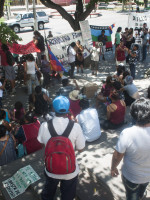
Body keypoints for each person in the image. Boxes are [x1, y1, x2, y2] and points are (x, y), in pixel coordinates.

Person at [37, 96, 85, 200]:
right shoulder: (75, 126)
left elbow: (42, 144)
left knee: (49, 190)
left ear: (53, 109)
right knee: (68, 194)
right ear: (68, 110)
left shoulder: (44, 126)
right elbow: (81, 148)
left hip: (51, 169)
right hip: (70, 171)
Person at [111, 97, 150, 200]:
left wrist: (113, 167)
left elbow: (117, 155)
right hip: (148, 175)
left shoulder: (127, 133)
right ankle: (141, 195)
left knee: (132, 195)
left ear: (132, 114)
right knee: (142, 188)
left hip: (132, 176)